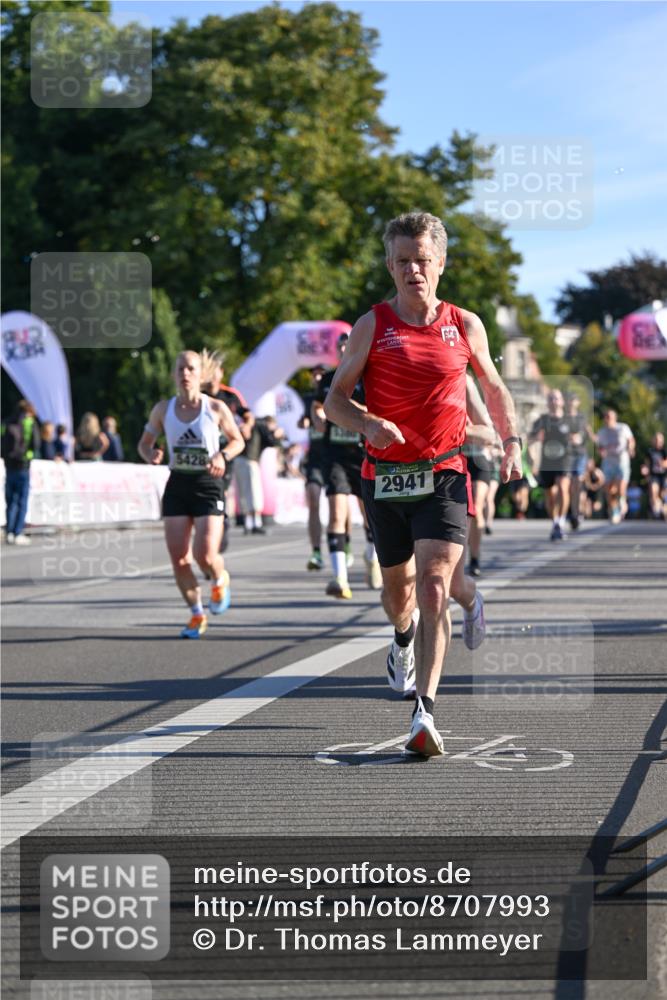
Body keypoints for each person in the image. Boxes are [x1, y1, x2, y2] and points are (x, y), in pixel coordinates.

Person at [324, 211, 521, 756]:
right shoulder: (373, 325)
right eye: (403, 261)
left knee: (434, 583)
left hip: (444, 473)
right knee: (398, 595)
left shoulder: (465, 324)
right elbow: (334, 400)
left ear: (440, 263)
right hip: (383, 479)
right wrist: (366, 422)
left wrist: (512, 443)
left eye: (423, 260)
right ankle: (402, 639)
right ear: (391, 265)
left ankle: (424, 713)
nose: (414, 269)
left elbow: (496, 387)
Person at [138, 350, 244, 638]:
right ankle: (197, 614)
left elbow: (238, 441)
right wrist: (151, 453)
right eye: (180, 369)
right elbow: (144, 443)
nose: (185, 374)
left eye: (190, 369)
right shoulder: (163, 409)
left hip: (208, 485)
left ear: (201, 375)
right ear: (174, 374)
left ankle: (219, 577)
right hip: (178, 485)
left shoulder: (216, 408)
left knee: (204, 554)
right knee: (179, 557)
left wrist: (222, 455)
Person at [314, 332, 381, 599]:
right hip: (336, 456)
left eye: (348, 344)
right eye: (341, 345)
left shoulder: (370, 376)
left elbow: (374, 411)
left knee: (371, 518)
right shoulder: (330, 380)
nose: (344, 348)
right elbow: (319, 404)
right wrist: (317, 415)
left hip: (363, 455)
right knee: (336, 514)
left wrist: (344, 406)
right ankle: (339, 578)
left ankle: (371, 555)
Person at [200, 350, 255, 550]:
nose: (212, 375)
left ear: (221, 373)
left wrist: (247, 426)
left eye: (216, 371)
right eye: (209, 371)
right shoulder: (199, 396)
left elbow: (248, 414)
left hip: (225, 452)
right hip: (203, 453)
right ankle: (209, 530)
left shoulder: (230, 396)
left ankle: (221, 524)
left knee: (219, 488)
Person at [528, 389, 572, 541]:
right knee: (550, 495)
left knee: (562, 488)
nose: (554, 401)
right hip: (547, 461)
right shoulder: (542, 419)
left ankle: (561, 521)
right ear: (548, 402)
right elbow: (530, 439)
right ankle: (554, 523)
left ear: (562, 402)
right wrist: (533, 452)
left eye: (556, 398)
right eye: (551, 398)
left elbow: (578, 439)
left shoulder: (568, 420)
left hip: (564, 460)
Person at [236, 415, 285, 534]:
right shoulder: (261, 426)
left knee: (244, 492)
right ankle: (254, 523)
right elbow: (271, 441)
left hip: (239, 460)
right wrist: (277, 436)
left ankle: (248, 523)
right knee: (253, 492)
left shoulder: (253, 425)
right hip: (249, 461)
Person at [1, 399, 41, 545]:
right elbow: (36, 443)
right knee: (22, 500)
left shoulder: (6, 422)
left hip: (9, 465)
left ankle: (9, 532)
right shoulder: (29, 423)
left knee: (10, 500)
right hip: (23, 465)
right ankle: (18, 532)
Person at [597, 409, 635, 524]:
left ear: (615, 418)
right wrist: (601, 452)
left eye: (610, 417)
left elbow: (631, 440)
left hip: (622, 461)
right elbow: (600, 447)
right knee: (609, 489)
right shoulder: (602, 432)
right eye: (606, 417)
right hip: (608, 462)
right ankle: (614, 511)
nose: (608, 419)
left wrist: (631, 448)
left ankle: (622, 501)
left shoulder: (623, 428)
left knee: (621, 487)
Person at [565, 393, 594, 529]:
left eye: (574, 400)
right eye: (569, 400)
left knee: (577, 484)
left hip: (580, 455)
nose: (571, 403)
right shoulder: (563, 418)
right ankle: (571, 512)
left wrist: (592, 457)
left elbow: (590, 436)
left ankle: (576, 514)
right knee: (567, 486)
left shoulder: (582, 418)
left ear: (577, 403)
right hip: (566, 456)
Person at [640, 431, 666, 520]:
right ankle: (657, 509)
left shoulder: (664, 451)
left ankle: (662, 508)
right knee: (653, 491)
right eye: (656, 439)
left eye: (659, 440)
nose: (658, 441)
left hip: (663, 476)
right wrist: (645, 469)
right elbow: (646, 463)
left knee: (662, 495)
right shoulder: (650, 451)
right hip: (653, 475)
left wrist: (663, 463)